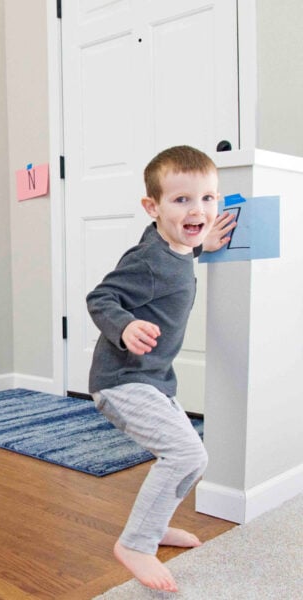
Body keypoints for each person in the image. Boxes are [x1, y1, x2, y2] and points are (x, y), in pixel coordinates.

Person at [86, 145, 236, 592]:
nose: (199, 209)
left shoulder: (173, 247)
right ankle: (135, 544)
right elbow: (100, 298)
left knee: (192, 458)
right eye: (182, 200)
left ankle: (154, 526)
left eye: (208, 198)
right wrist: (126, 325)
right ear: (152, 207)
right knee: (186, 454)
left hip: (153, 379)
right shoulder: (149, 260)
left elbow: (179, 245)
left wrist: (200, 243)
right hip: (121, 382)